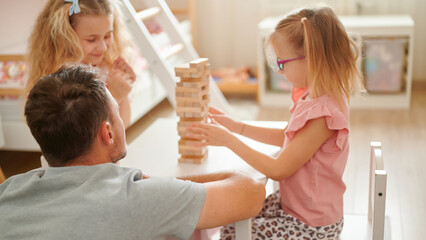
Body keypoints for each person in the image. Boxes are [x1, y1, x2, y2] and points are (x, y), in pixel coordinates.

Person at [0, 65, 266, 240]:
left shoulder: (10, 190)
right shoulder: (139, 198)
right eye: (117, 110)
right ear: (108, 133)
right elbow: (252, 192)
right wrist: (159, 184)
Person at [187, 6, 364, 240]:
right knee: (231, 215)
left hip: (310, 226)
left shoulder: (323, 115)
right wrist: (236, 126)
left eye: (282, 63)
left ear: (311, 59)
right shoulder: (317, 96)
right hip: (295, 209)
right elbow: (288, 137)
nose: (280, 71)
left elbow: (278, 170)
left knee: (230, 231)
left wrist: (229, 141)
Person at [26, 0, 136, 127]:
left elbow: (123, 125)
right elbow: (86, 136)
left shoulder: (103, 65)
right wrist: (114, 96)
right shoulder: (64, 78)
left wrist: (123, 91)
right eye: (91, 40)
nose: (103, 47)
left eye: (107, 36)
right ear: (66, 37)